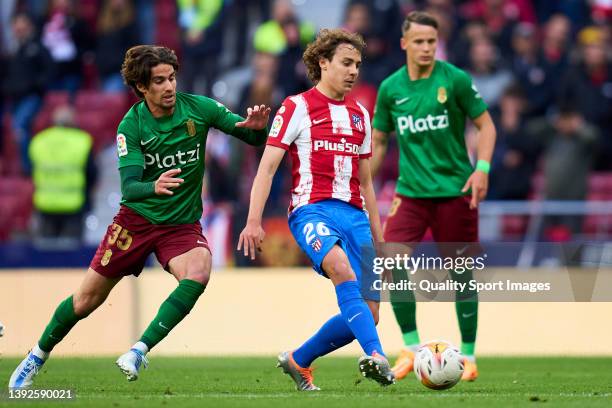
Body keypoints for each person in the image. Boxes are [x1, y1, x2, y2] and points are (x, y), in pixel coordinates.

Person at [8, 45, 271, 389]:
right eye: (159, 81)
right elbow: (130, 187)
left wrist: (258, 128)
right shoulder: (130, 126)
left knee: (199, 269)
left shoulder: (200, 108)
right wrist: (154, 185)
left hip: (180, 225)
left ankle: (138, 350)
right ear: (142, 88)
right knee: (86, 300)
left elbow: (249, 135)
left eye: (172, 78)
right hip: (135, 223)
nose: (169, 86)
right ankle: (36, 357)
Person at [238, 28, 394, 391]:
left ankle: (299, 360)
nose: (354, 71)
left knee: (369, 312)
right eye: (346, 63)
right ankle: (378, 356)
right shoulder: (296, 107)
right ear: (323, 63)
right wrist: (253, 221)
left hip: (355, 216)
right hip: (312, 210)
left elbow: (367, 183)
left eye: (357, 64)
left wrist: (381, 241)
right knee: (340, 268)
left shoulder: (360, 116)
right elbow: (267, 167)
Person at [371, 11, 496, 382]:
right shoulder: (390, 89)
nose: (426, 48)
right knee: (391, 263)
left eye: (432, 41)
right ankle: (411, 348)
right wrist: (363, 183)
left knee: (461, 275)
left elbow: (485, 124)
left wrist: (482, 169)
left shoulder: (454, 79)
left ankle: (469, 355)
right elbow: (379, 141)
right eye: (419, 41)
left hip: (454, 191)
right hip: (410, 193)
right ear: (404, 43)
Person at [29, 106, 97, 245]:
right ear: (73, 122)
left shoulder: (38, 141)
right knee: (71, 257)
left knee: (46, 256)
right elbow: (92, 174)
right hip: (74, 206)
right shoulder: (82, 141)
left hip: (45, 205)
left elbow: (30, 170)